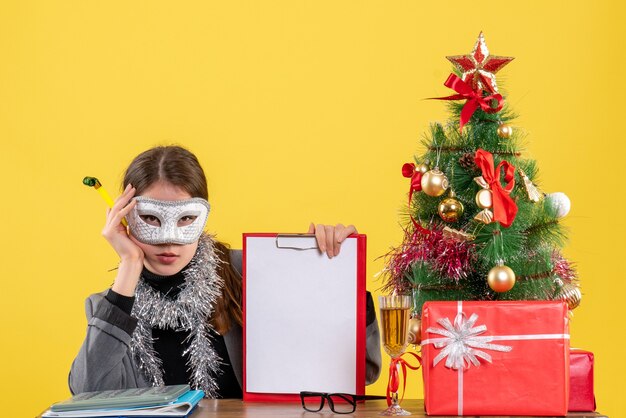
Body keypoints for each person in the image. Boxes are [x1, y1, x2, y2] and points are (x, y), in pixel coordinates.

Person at [69, 145, 381, 398]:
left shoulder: (250, 273)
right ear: (124, 217)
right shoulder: (109, 307)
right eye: (150, 219)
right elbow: (87, 393)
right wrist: (130, 265)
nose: (168, 239)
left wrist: (334, 274)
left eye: (185, 219)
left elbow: (359, 371)